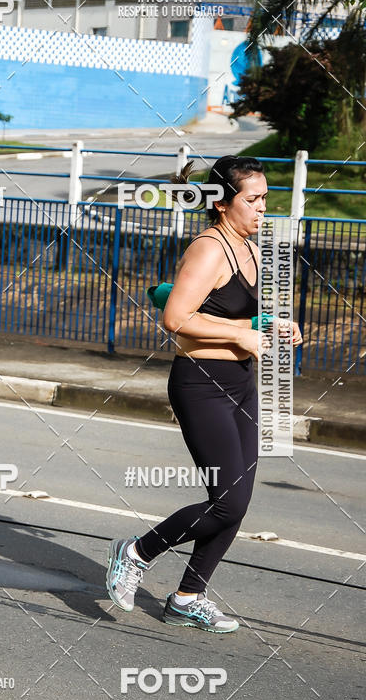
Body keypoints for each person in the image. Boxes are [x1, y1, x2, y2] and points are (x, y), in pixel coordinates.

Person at [106, 156, 302, 633]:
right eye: (252, 200)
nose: (262, 210)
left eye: (265, 200)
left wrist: (273, 327)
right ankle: (136, 552)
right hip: (201, 383)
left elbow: (238, 318)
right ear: (221, 202)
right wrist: (242, 337)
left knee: (237, 500)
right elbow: (175, 318)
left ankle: (188, 596)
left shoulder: (251, 249)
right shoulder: (209, 249)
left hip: (240, 382)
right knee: (229, 502)